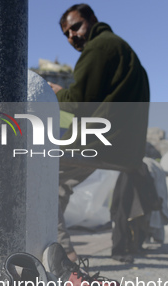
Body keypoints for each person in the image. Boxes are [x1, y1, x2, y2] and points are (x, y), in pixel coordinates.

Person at [48, 3, 150, 262]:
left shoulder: (99, 47)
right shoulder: (124, 51)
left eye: (76, 27)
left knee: (41, 176)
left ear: (92, 19)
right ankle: (123, 247)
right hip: (128, 149)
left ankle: (63, 256)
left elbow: (80, 101)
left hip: (103, 141)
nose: (73, 36)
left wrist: (58, 94)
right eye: (67, 34)